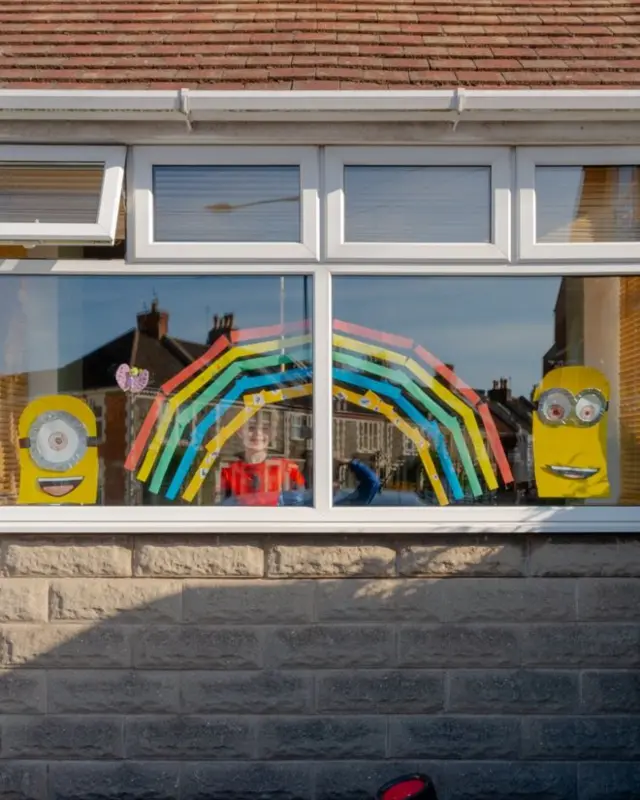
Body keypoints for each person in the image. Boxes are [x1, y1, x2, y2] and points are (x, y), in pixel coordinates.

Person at [220, 418, 305, 506]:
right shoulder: (228, 472)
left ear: (273, 434)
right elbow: (222, 509)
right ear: (240, 432)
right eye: (251, 428)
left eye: (265, 428)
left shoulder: (288, 468)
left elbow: (299, 506)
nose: (258, 434)